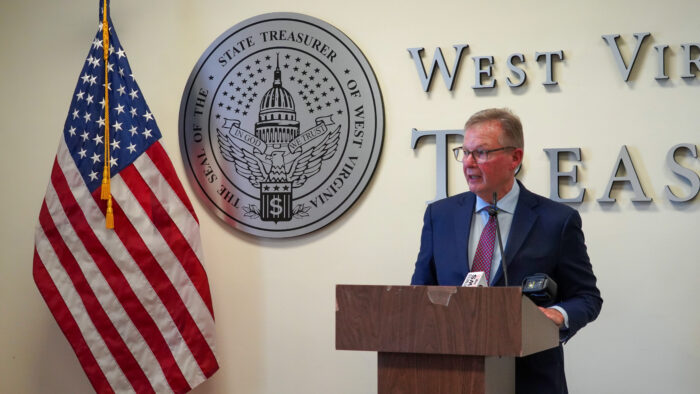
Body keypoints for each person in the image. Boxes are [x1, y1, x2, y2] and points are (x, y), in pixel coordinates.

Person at [410, 108, 602, 394]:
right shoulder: (440, 216)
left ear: (515, 157)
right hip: (453, 377)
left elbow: (587, 297)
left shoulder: (556, 221)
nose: (469, 163)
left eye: (482, 153)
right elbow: (419, 294)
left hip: (530, 380)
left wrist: (558, 315)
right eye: (465, 152)